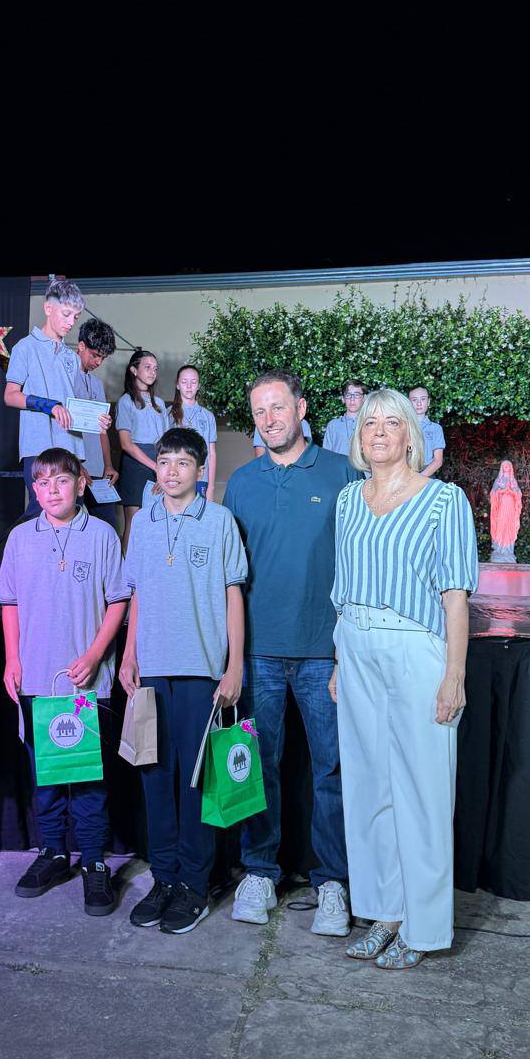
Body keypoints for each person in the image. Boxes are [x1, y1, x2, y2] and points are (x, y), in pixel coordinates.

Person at [330, 387, 478, 969]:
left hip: (416, 649)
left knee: (422, 792)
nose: (380, 431)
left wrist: (454, 675)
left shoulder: (444, 500)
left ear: (412, 435)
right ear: (358, 437)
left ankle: (423, 927)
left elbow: (455, 594)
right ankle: (385, 913)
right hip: (356, 647)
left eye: (392, 422)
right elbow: (342, 586)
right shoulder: (348, 501)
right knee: (369, 789)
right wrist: (339, 660)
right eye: (370, 423)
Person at [223, 371, 359, 935]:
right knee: (258, 765)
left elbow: (360, 562)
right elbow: (228, 578)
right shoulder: (241, 483)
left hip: (323, 652)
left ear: (301, 408)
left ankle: (333, 882)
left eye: (278, 407)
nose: (269, 420)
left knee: (332, 768)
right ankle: (259, 870)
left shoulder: (341, 473)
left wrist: (347, 646)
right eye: (259, 411)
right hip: (258, 653)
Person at [120, 427, 247, 934]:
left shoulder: (219, 521)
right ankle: (164, 877)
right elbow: (136, 593)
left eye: (183, 463)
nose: (171, 471)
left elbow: (233, 593)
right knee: (154, 778)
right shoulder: (143, 523)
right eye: (164, 461)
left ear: (200, 469)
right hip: (151, 669)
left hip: (201, 671)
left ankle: (194, 883)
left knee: (196, 783)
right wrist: (129, 654)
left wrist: (234, 665)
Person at [0, 449, 130, 915]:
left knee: (88, 778)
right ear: (34, 490)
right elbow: (9, 603)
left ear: (81, 483)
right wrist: (12, 660)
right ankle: (53, 852)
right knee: (46, 777)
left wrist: (95, 655)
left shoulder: (102, 535)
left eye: (61, 480)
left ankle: (93, 862)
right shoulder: (20, 538)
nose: (51, 490)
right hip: (37, 676)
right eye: (42, 483)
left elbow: (118, 600)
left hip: (86, 682)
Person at [4, 280, 97, 518]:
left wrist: (95, 419)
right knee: (40, 512)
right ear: (48, 308)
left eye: (75, 317)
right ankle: (15, 542)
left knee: (72, 513)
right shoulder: (25, 348)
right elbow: (10, 395)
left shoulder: (72, 357)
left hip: (71, 449)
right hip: (38, 447)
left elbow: (73, 406)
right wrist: (50, 405)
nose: (71, 322)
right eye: (66, 314)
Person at [115, 349, 169, 551]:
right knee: (134, 521)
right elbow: (126, 444)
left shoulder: (160, 404)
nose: (152, 372)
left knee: (155, 519)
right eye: (147, 367)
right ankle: (124, 568)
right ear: (133, 370)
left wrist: (162, 467)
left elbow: (165, 441)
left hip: (158, 462)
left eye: (155, 368)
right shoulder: (125, 402)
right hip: (135, 464)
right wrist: (155, 466)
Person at [74, 317, 119, 527]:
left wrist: (108, 465)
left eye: (103, 357)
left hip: (98, 471)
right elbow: (59, 427)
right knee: (72, 527)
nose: (99, 362)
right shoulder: (65, 378)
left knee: (109, 526)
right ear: (81, 346)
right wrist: (74, 463)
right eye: (95, 355)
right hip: (73, 468)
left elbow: (102, 430)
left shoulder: (97, 384)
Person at [170, 365, 218, 496]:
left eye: (193, 382)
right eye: (184, 382)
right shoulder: (169, 414)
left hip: (201, 479)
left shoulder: (208, 416)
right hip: (176, 478)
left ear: (198, 386)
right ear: (177, 385)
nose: (189, 386)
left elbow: (212, 453)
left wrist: (211, 487)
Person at [408, 386, 446, 477]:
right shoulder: (402, 426)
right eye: (414, 400)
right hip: (405, 472)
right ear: (408, 402)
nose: (419, 403)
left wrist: (420, 478)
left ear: (428, 402)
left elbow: (438, 460)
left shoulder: (436, 428)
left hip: (427, 473)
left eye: (423, 399)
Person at [321, 380, 367, 456]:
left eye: (357, 395)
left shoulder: (369, 424)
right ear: (343, 399)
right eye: (348, 395)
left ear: (364, 398)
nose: (352, 399)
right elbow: (326, 455)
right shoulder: (333, 425)